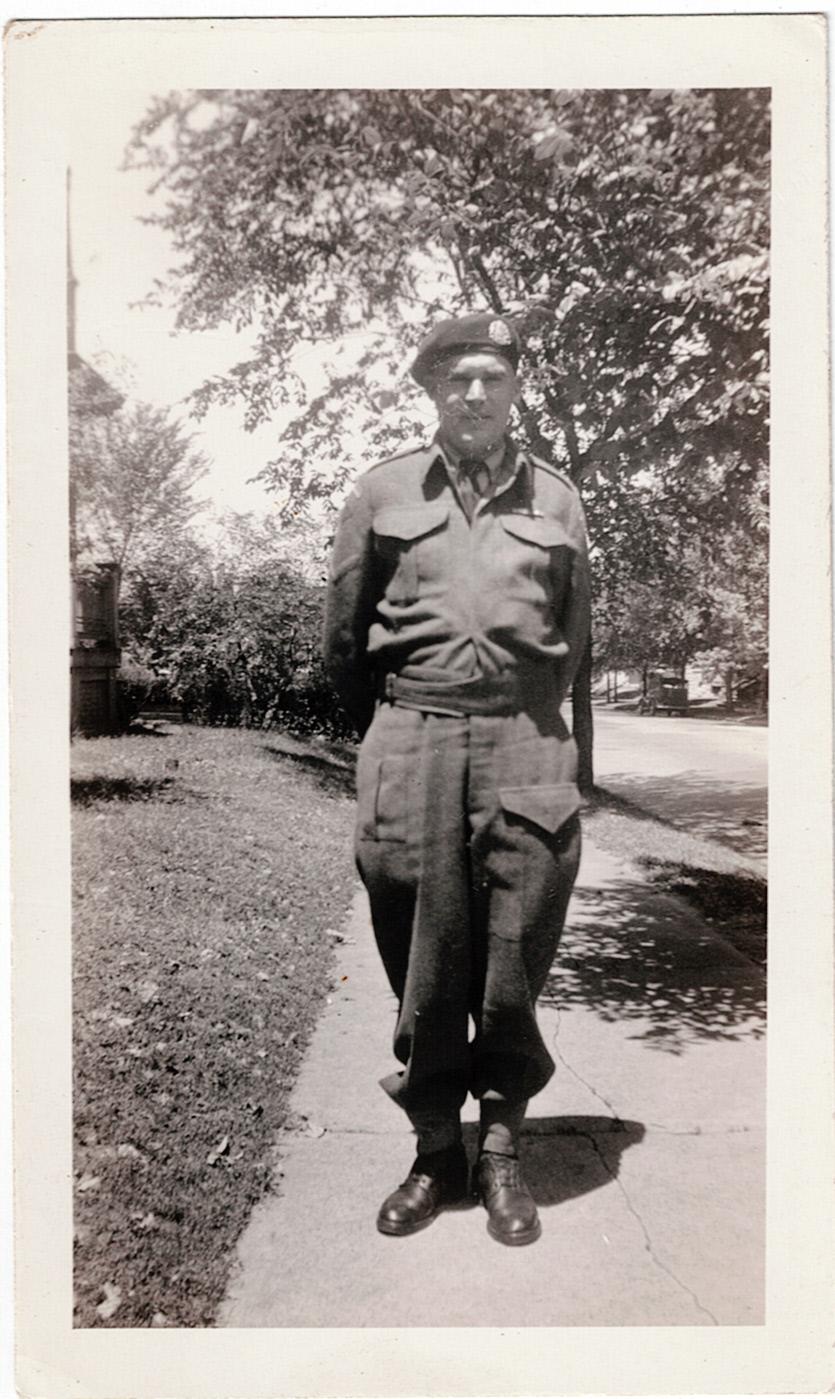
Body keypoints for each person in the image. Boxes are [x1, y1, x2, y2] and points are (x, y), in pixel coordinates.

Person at [323, 311, 590, 1246]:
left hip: (525, 740)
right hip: (414, 737)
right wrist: (406, 728)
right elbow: (342, 644)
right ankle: (437, 1148)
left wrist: (522, 719)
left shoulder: (558, 500)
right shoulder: (380, 490)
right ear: (430, 389)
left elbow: (573, 643)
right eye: (454, 379)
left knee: (516, 949)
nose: (473, 394)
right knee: (423, 951)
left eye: (490, 377)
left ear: (514, 387)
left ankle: (503, 1149)